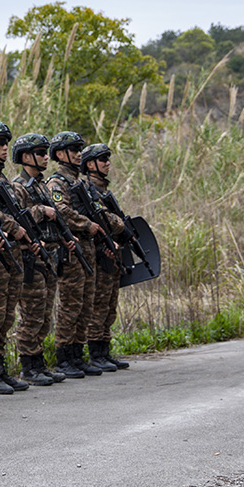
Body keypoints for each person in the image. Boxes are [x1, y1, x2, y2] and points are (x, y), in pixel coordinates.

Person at [0, 122, 53, 388]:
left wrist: (30, 239)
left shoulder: (5, 181)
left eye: (7, 144)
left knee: (5, 316)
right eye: (0, 143)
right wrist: (17, 229)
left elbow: (22, 214)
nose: (5, 148)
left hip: (12, 255)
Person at [11, 134, 72, 380]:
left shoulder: (40, 185)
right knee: (32, 313)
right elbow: (16, 217)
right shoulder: (18, 186)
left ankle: (38, 363)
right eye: (40, 153)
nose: (46, 158)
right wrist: (40, 211)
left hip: (47, 256)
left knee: (44, 314)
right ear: (26, 157)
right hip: (31, 257)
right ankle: (28, 365)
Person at [46, 131, 106, 377]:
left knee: (85, 303)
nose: (79, 154)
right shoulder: (57, 183)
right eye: (74, 149)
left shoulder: (80, 183)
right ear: (61, 154)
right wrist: (86, 225)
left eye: (80, 149)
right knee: (70, 304)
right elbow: (61, 211)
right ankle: (64, 357)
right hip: (71, 249)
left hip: (87, 248)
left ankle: (77, 355)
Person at [79, 143, 131, 371]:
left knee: (109, 305)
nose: (107, 163)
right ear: (90, 164)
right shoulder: (87, 190)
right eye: (102, 159)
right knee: (98, 304)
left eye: (108, 159)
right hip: (98, 253)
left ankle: (104, 350)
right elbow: (98, 221)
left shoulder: (103, 191)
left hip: (111, 252)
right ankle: (95, 353)